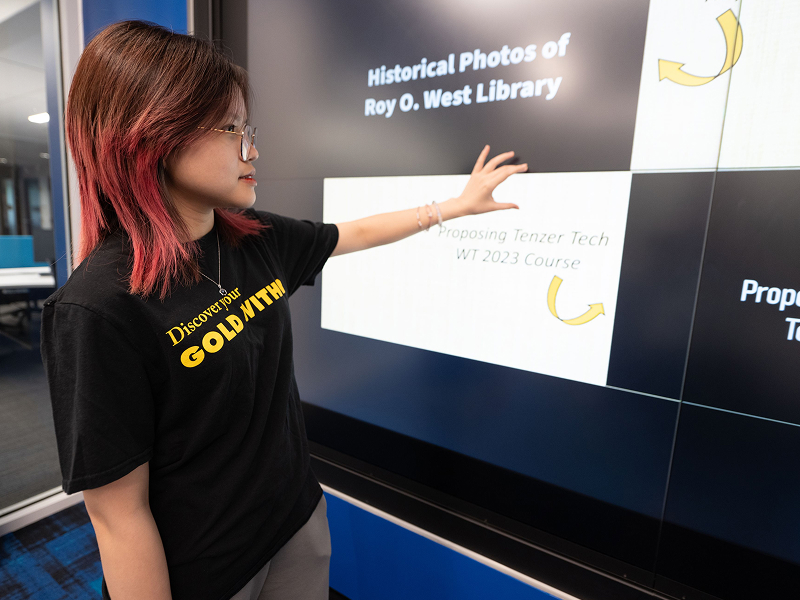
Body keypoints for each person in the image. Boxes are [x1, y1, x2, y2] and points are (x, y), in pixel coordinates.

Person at [40, 20, 527, 600]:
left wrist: (454, 206)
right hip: (209, 572)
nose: (252, 149)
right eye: (230, 128)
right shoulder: (97, 309)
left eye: (248, 129)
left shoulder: (254, 239)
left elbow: (355, 233)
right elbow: (120, 518)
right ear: (152, 137)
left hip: (294, 520)